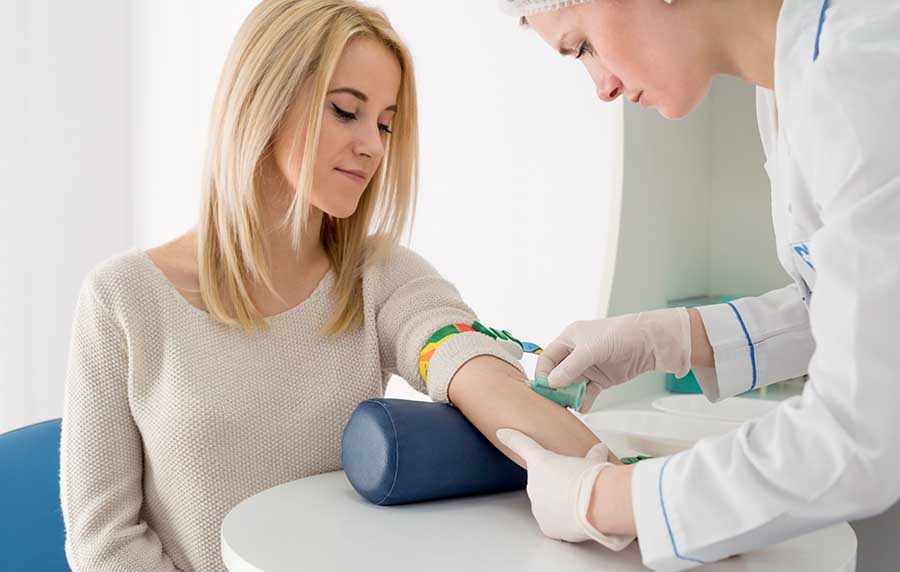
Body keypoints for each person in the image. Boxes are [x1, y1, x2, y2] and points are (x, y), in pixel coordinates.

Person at [59, 1, 603, 570]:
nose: (373, 144)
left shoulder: (380, 276)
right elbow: (104, 542)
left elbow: (460, 354)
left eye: (386, 123)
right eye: (346, 111)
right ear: (263, 101)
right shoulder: (122, 299)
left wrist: (628, 489)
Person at [494, 0, 900, 569]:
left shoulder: (864, 67)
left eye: (581, 44)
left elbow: (858, 437)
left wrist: (610, 499)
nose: (601, 88)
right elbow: (863, 307)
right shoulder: (787, 84)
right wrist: (680, 336)